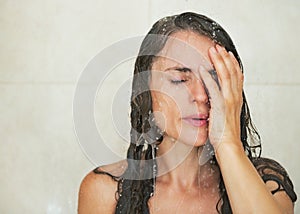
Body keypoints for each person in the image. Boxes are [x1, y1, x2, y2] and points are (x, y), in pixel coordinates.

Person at [78, 12, 297, 213]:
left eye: (214, 80)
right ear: (145, 91)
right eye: (179, 80)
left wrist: (227, 143)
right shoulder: (104, 191)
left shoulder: (267, 184)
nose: (201, 95)